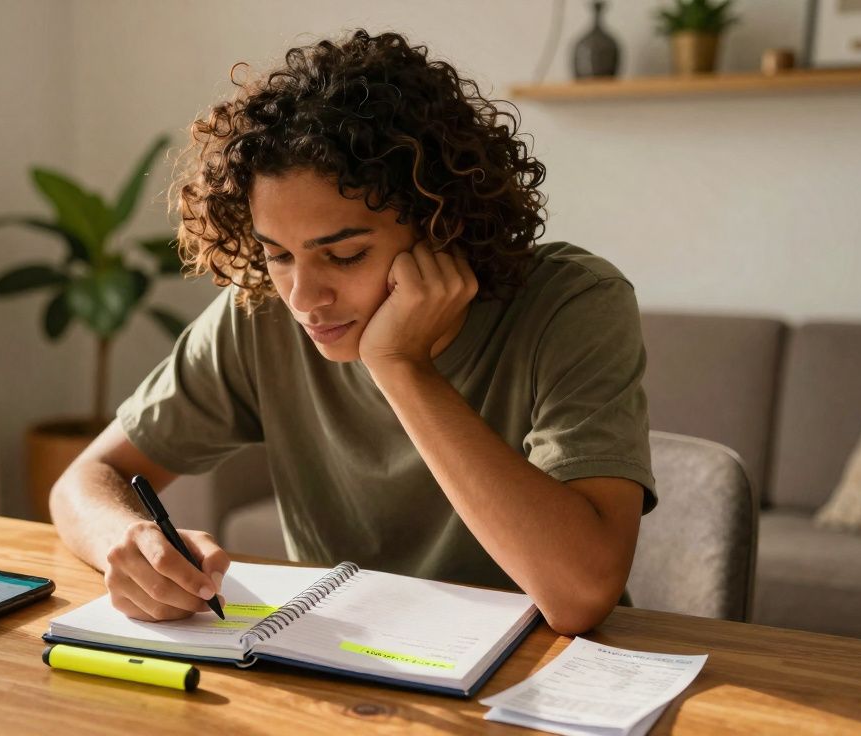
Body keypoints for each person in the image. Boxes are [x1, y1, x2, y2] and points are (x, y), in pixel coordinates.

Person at [50, 29, 656, 636]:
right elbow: (83, 481)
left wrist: (399, 364)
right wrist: (126, 541)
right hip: (343, 666)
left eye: (345, 256)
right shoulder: (260, 312)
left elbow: (580, 596)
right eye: (279, 254)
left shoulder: (573, 304)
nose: (304, 300)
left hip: (542, 676)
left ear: (444, 226)